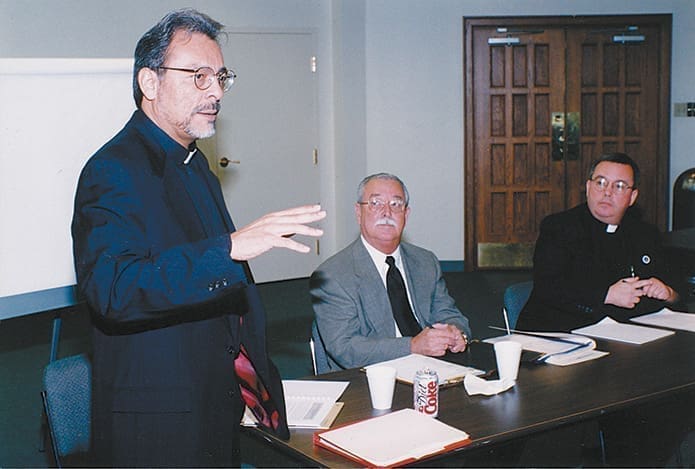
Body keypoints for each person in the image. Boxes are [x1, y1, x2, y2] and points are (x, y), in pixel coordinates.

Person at [71, 9, 325, 467]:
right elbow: (113, 289)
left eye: (221, 76)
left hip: (212, 401)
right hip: (157, 423)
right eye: (199, 76)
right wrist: (228, 248)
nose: (216, 91)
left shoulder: (196, 163)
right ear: (150, 83)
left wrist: (257, 386)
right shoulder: (112, 169)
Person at [310, 173, 471, 370]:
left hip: (430, 368)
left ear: (406, 214)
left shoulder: (425, 262)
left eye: (396, 204)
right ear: (358, 213)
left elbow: (449, 314)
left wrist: (457, 333)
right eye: (376, 203)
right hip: (368, 377)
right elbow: (345, 348)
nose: (387, 212)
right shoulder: (332, 275)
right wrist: (412, 346)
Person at [517, 152, 679, 332]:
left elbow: (675, 285)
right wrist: (606, 295)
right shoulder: (559, 228)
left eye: (619, 186)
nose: (607, 192)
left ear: (632, 197)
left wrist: (668, 292)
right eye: (600, 183)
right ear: (588, 187)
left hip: (623, 333)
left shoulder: (646, 234)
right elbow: (548, 287)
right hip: (561, 331)